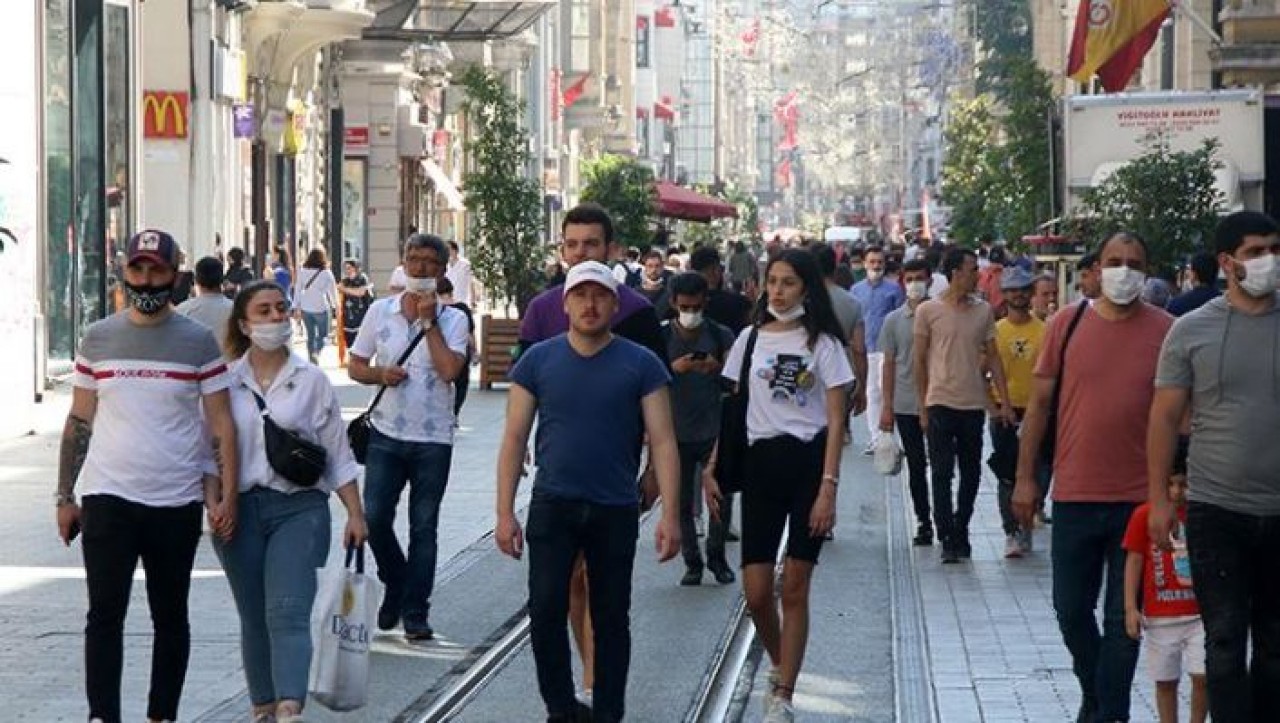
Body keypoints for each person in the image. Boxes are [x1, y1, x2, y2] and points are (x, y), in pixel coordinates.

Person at [56, 229, 239, 723]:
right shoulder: (98, 337)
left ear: (175, 274)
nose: (146, 279)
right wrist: (64, 496)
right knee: (104, 614)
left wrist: (226, 496)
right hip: (107, 496)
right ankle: (103, 715)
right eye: (137, 268)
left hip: (175, 500)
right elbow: (79, 420)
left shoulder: (198, 342)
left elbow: (222, 423)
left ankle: (162, 715)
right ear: (124, 271)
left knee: (170, 615)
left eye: (156, 270)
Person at [496, 261, 680, 723]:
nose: (590, 305)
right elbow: (514, 437)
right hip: (553, 503)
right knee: (545, 608)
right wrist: (504, 512)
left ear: (615, 305)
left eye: (600, 296)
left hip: (614, 507)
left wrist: (671, 515)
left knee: (611, 616)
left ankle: (608, 712)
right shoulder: (538, 361)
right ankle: (561, 709)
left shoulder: (642, 363)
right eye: (580, 295)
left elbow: (663, 440)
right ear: (566, 304)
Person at [1013, 231, 1173, 723]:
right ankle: (1096, 691)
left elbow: (1180, 415)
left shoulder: (1168, 331)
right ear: (1097, 269)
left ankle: (1108, 715)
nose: (1124, 271)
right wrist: (1025, 478)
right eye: (1114, 261)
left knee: (1124, 619)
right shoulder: (1067, 323)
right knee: (1070, 610)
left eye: (1134, 263)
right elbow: (1039, 406)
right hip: (1076, 495)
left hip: (1139, 502)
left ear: (1147, 271)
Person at [702, 249, 852, 723]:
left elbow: (835, 419)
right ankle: (780, 662)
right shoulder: (748, 340)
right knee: (757, 591)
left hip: (809, 464)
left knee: (795, 585)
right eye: (773, 282)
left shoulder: (824, 344)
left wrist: (829, 486)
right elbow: (731, 410)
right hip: (761, 464)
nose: (779, 291)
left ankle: (783, 694)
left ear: (807, 287)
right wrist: (712, 466)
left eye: (789, 283)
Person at [1147, 210, 1280, 721]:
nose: (1269, 260)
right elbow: (1164, 418)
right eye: (1256, 251)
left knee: (1274, 647)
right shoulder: (1190, 330)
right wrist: (1159, 500)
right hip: (1215, 509)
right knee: (1223, 643)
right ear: (1228, 262)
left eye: (1274, 249)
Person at [215, 280, 368, 723]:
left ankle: (289, 707)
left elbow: (337, 452)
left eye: (281, 308)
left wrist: (355, 513)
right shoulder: (225, 381)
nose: (276, 317)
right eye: (264, 311)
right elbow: (206, 450)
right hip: (240, 511)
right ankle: (263, 707)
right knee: (254, 615)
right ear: (244, 325)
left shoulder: (311, 380)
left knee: (288, 610)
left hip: (299, 508)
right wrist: (214, 503)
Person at [347, 233, 469, 642]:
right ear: (403, 263)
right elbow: (355, 365)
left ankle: (416, 611)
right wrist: (380, 374)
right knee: (375, 516)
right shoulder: (380, 312)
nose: (420, 268)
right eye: (414, 259)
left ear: (442, 269)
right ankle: (396, 580)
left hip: (434, 439)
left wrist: (429, 322)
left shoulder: (455, 319)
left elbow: (450, 370)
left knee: (424, 526)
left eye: (430, 262)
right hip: (386, 432)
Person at [914, 247, 1015, 564]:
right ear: (956, 273)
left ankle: (962, 527)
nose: (978, 276)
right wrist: (922, 405)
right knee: (942, 472)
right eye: (972, 270)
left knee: (971, 473)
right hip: (940, 401)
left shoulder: (983, 311)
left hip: (972, 403)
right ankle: (946, 534)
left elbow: (993, 357)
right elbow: (919, 360)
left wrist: (1003, 401)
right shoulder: (928, 310)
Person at [662, 272, 737, 586]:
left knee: (721, 497)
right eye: (684, 307)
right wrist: (673, 369)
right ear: (673, 303)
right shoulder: (661, 337)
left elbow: (734, 382)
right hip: (674, 433)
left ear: (706, 302)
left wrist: (716, 368)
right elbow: (647, 383)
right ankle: (692, 562)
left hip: (714, 430)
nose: (690, 313)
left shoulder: (721, 335)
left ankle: (717, 557)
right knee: (680, 502)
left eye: (696, 307)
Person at [1122, 465, 1207, 723]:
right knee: (1165, 681)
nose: (1177, 492)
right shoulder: (1144, 515)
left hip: (1200, 613)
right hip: (1160, 615)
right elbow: (1134, 560)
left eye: (1184, 484)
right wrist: (1130, 607)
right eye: (1170, 484)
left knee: (1203, 676)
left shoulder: (1201, 515)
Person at [986, 266, 1045, 559]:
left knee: (1039, 471)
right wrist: (994, 408)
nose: (1018, 295)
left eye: (1023, 289)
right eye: (1011, 290)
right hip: (1005, 411)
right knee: (1007, 474)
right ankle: (1011, 531)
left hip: (1038, 411)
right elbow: (979, 372)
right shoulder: (995, 331)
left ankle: (1028, 521)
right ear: (1004, 294)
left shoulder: (1045, 331)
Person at [879, 259, 933, 546]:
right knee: (916, 463)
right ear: (902, 282)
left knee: (942, 464)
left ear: (930, 280)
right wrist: (886, 406)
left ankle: (945, 519)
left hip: (938, 400)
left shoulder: (940, 315)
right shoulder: (893, 321)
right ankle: (924, 520)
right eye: (909, 279)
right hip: (905, 402)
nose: (914, 284)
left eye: (919, 278)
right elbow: (888, 364)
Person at [811, 243, 868, 446]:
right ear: (834, 267)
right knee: (835, 433)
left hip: (807, 375)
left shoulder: (801, 301)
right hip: (842, 374)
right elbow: (859, 349)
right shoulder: (852, 302)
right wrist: (862, 387)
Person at [850, 246, 904, 453]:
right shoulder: (856, 290)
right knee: (872, 393)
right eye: (872, 262)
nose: (876, 266)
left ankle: (891, 438)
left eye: (880, 262)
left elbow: (900, 317)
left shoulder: (894, 289)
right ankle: (875, 438)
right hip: (866, 348)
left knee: (888, 392)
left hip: (888, 349)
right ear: (865, 264)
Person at [177, 256, 235, 354]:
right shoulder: (236, 310)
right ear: (223, 279)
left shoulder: (182, 311)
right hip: (230, 362)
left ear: (196, 280)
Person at [437, 276, 476, 420]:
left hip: (440, 353)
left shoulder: (435, 310)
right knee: (461, 384)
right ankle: (454, 413)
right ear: (451, 291)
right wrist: (475, 351)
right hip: (461, 353)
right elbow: (470, 335)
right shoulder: (462, 310)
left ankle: (445, 413)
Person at [294, 247, 337, 364]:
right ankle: (316, 352)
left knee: (310, 335)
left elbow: (298, 289)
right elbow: (332, 291)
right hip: (321, 307)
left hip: (306, 307)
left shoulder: (302, 271)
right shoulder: (326, 273)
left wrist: (295, 306)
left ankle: (311, 360)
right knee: (323, 335)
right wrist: (335, 306)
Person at [1165, 251, 1219, 317]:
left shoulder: (1176, 305)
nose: (1187, 273)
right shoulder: (1226, 303)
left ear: (1194, 274)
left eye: (1189, 270)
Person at [337, 258, 374, 349]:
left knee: (360, 346)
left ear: (356, 268)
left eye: (349, 268)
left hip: (361, 318)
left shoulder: (362, 278)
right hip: (348, 320)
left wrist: (344, 289)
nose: (347, 271)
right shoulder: (345, 281)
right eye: (345, 268)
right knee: (350, 346)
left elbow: (360, 292)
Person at [977, 246, 1007, 318]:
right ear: (1003, 259)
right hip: (1003, 315)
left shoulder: (981, 274)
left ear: (989, 259)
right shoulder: (1008, 275)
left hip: (986, 315)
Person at [445, 239, 476, 306]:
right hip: (448, 302)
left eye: (449, 249)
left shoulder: (465, 264)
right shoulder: (444, 265)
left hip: (462, 301)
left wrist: (473, 301)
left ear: (455, 250)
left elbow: (471, 282)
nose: (448, 252)